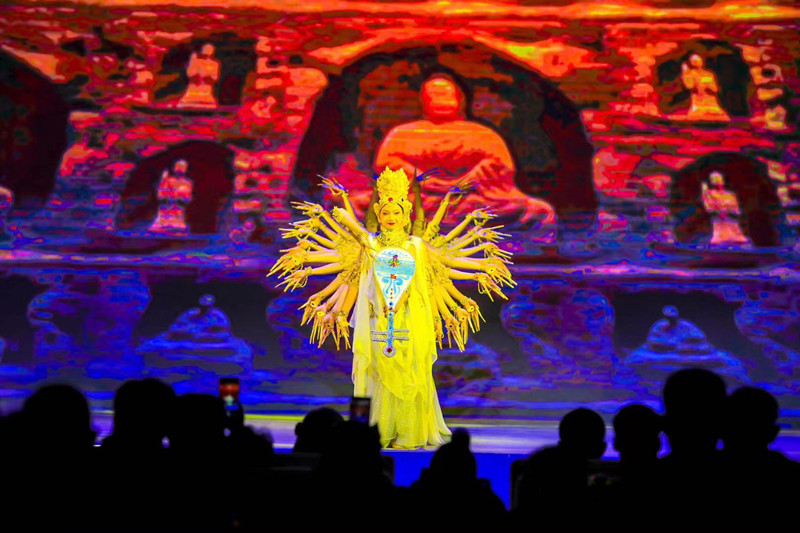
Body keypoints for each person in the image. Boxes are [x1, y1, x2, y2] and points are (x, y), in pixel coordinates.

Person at [269, 167, 516, 448]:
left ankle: (408, 433)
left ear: (405, 214)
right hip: (377, 318)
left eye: (396, 212)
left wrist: (475, 269)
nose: (390, 217)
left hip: (408, 318)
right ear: (378, 212)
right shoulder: (369, 245)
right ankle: (377, 431)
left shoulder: (417, 247)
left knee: (408, 375)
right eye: (385, 212)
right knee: (377, 374)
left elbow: (431, 279)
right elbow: (356, 277)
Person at [371, 74, 555, 226]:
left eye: (446, 94)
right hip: (420, 199)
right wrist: (425, 182)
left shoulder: (481, 134)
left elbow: (500, 165)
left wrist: (464, 183)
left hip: (472, 200)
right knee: (362, 205)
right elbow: (386, 164)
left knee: (536, 210)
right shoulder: (404, 133)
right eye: (435, 94)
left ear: (460, 99)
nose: (441, 99)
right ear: (423, 100)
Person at [680, 54, 729, 121]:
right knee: (697, 114)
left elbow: (715, 89)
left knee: (718, 114)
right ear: (692, 63)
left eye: (699, 60)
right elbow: (689, 86)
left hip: (710, 101)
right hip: (698, 101)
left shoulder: (709, 74)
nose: (697, 62)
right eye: (695, 61)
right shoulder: (691, 74)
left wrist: (707, 86)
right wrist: (686, 74)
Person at [178, 43, 221, 109]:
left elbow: (214, 76)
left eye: (209, 50)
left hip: (206, 87)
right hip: (195, 85)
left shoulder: (215, 64)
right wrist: (195, 76)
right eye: (206, 49)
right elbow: (190, 71)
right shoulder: (196, 60)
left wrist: (210, 78)